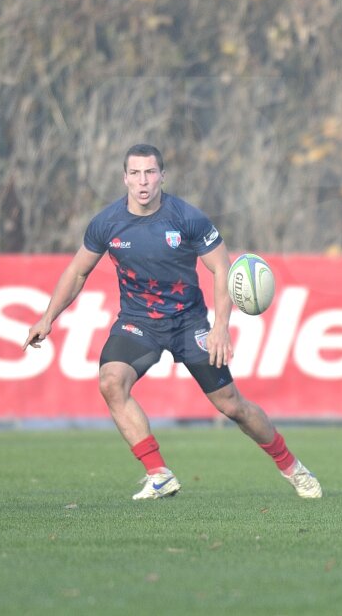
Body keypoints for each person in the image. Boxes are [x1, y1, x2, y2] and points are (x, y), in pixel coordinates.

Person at [23, 144, 321, 500]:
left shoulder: (187, 218)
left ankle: (292, 466)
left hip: (188, 322)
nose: (143, 181)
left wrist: (220, 327)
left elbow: (221, 267)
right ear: (125, 178)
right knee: (111, 382)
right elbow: (76, 271)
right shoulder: (107, 222)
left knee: (232, 406)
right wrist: (47, 317)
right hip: (138, 322)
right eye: (135, 173)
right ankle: (158, 473)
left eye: (150, 172)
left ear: (162, 176)